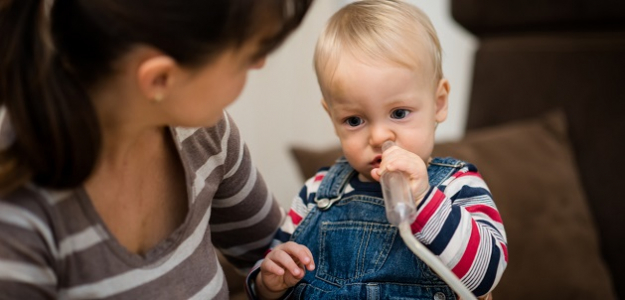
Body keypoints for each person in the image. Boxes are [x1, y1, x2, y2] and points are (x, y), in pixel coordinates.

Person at [0, 0, 314, 299]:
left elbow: (283, 261)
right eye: (246, 57)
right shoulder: (18, 218)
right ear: (159, 80)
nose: (260, 63)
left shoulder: (204, 134)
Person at [248, 1, 508, 299]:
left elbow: (486, 276)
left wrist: (424, 199)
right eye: (355, 120)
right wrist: (268, 284)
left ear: (438, 103)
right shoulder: (316, 193)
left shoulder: (458, 185)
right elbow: (276, 264)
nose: (379, 135)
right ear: (333, 118)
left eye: (399, 113)